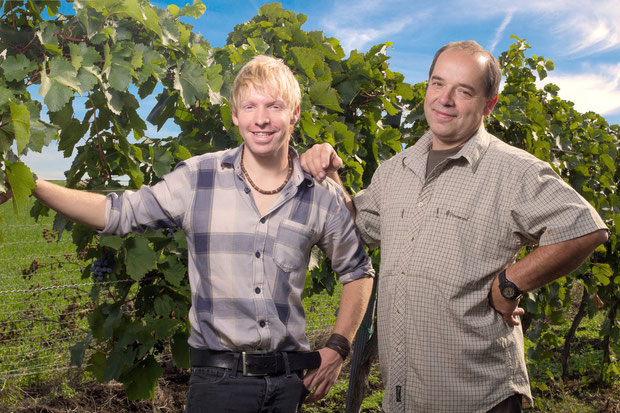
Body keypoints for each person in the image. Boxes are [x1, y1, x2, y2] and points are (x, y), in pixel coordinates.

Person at [1, 55, 374, 412]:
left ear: (294, 113)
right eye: (250, 107)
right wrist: (32, 184)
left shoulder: (319, 193)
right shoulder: (198, 178)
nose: (261, 119)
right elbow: (117, 213)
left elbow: (357, 271)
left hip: (290, 386)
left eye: (274, 106)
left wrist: (338, 348)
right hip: (218, 386)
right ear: (234, 114)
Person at [300, 41, 609, 412]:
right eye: (437, 84)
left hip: (477, 398)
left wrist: (510, 282)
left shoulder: (512, 170)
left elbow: (584, 227)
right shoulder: (395, 170)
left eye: (464, 91)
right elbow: (358, 228)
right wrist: (331, 174)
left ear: (488, 104)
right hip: (403, 398)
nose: (445, 99)